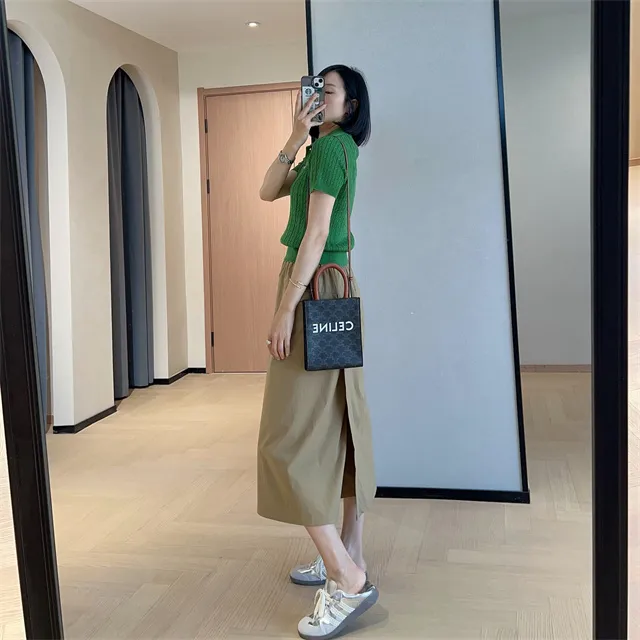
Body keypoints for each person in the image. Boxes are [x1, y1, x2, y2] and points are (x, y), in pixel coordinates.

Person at [257, 65, 378, 640]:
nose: (316, 97)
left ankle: (347, 577)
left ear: (349, 106)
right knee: (339, 421)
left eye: (326, 92)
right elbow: (267, 189)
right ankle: (350, 551)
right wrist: (293, 134)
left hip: (312, 290)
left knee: (286, 439)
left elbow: (316, 232)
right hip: (330, 288)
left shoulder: (333, 150)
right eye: (314, 90)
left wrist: (287, 306)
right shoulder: (321, 150)